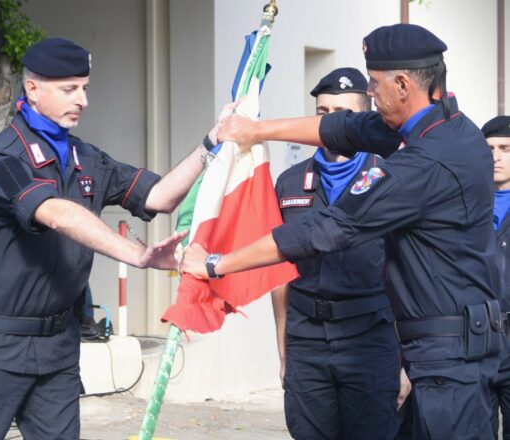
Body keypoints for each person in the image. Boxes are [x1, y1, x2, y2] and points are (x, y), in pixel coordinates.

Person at [182, 23, 502, 439]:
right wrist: (256, 129)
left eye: (374, 83)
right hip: (443, 348)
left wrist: (215, 263)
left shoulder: (426, 162)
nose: (371, 91)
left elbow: (327, 228)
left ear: (403, 84)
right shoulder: (443, 126)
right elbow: (344, 129)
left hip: (448, 358)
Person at [0, 38, 236, 440]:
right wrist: (139, 255)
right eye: (69, 89)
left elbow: (159, 195)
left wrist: (210, 143)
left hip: (58, 347)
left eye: (85, 88)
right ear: (34, 89)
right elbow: (55, 213)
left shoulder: (86, 158)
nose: (83, 100)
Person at [271, 67, 407, 439]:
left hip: (370, 338)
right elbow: (279, 273)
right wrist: (284, 350)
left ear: (364, 117)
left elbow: (408, 271)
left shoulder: (391, 178)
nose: (330, 122)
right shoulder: (289, 183)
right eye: (322, 113)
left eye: (342, 114)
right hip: (307, 341)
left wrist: (406, 363)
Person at [482, 115, 510, 439]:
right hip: (480, 342)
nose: (495, 156)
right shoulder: (467, 205)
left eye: (504, 148)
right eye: (489, 148)